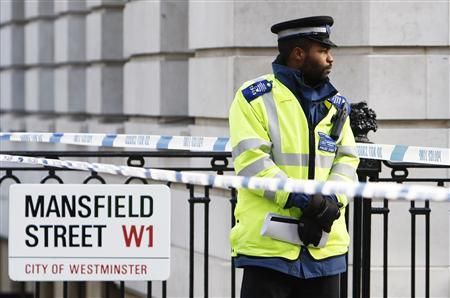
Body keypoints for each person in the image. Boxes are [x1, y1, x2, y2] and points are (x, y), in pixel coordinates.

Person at [228, 16, 360, 298]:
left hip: (324, 249)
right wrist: (306, 201)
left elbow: (347, 160)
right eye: (322, 51)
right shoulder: (253, 98)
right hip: (269, 250)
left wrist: (330, 204)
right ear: (299, 54)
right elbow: (252, 163)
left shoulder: (336, 105)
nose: (331, 59)